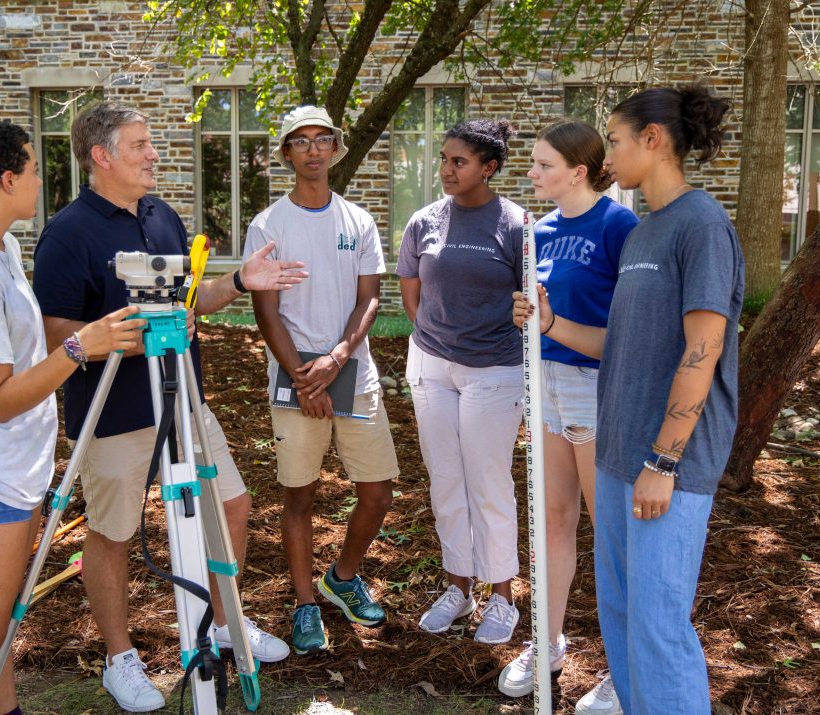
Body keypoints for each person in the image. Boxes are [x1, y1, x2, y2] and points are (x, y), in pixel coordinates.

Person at [32, 102, 306, 712]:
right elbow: (55, 335)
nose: (154, 154)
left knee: (232, 505)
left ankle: (218, 626)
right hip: (114, 414)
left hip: (185, 401)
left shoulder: (162, 217)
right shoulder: (68, 233)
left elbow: (187, 302)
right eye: (140, 145)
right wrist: (130, 334)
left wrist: (238, 283)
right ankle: (119, 659)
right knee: (114, 533)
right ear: (102, 156)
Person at [513, 84, 743, 714]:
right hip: (615, 454)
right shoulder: (643, 232)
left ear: (653, 139)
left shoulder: (702, 226)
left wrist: (663, 462)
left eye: (614, 140)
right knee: (619, 617)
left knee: (658, 626)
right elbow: (620, 343)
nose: (608, 157)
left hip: (664, 465)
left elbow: (704, 350)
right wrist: (551, 323)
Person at [0, 118, 143, 715]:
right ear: (8, 178)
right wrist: (79, 347)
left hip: (11, 468)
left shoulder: (0, 246)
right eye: (35, 170)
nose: (44, 181)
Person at [243, 105, 399, 656]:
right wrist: (304, 379)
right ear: (286, 153)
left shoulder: (357, 221)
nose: (312, 149)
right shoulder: (268, 224)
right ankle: (306, 604)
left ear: (335, 147)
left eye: (321, 139)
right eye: (300, 141)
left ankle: (342, 577)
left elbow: (370, 298)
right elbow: (266, 311)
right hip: (296, 374)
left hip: (351, 369)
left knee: (377, 492)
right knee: (299, 495)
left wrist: (338, 355)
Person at [498, 120, 637, 714]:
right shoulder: (539, 230)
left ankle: (624, 669)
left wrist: (550, 322)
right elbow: (541, 315)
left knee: (611, 532)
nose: (531, 174)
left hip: (595, 388)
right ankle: (547, 643)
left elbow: (626, 335)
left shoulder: (618, 225)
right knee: (553, 521)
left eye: (543, 165)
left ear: (579, 171)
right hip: (545, 382)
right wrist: (526, 315)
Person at [395, 119, 525, 645]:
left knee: (488, 483)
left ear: (488, 168)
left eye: (459, 162)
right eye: (444, 159)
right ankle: (458, 587)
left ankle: (502, 598)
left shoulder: (515, 224)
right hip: (431, 366)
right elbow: (411, 288)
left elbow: (530, 299)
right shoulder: (424, 220)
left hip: (494, 369)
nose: (446, 170)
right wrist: (435, 338)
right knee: (445, 480)